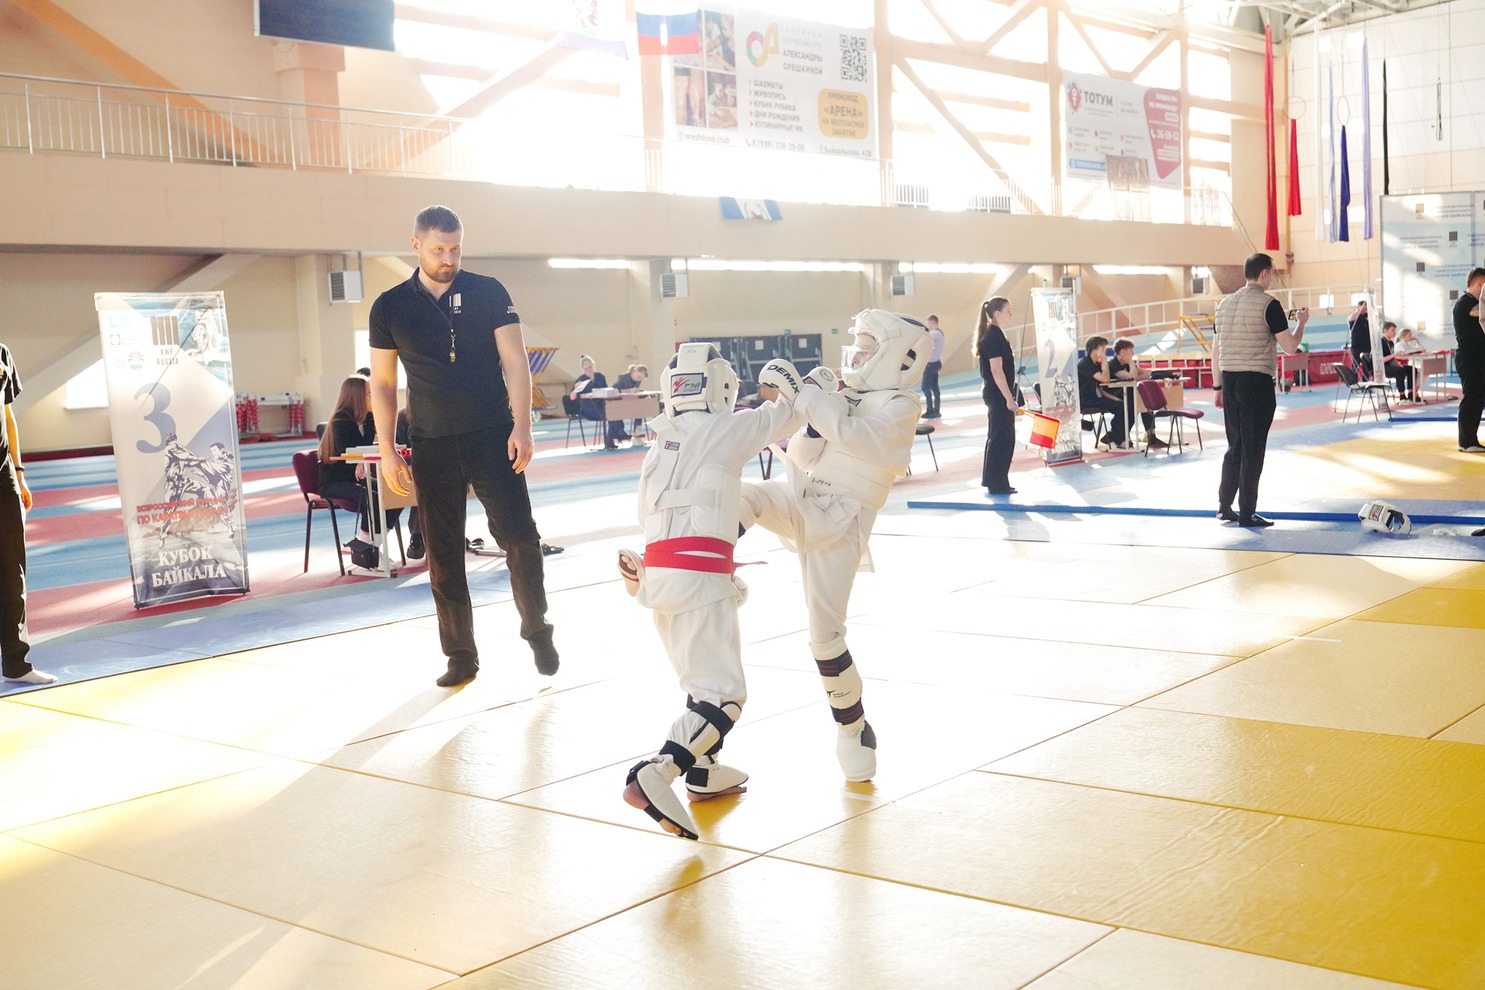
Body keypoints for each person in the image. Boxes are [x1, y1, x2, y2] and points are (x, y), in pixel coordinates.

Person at [618, 345, 805, 840]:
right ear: (721, 385)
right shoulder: (726, 427)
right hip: (697, 577)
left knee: (702, 683)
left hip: (659, 578)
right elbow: (790, 412)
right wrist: (808, 382)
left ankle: (704, 771)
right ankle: (657, 771)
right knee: (724, 698)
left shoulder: (660, 441)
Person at [368, 204, 559, 687]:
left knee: (520, 539)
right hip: (431, 442)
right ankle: (460, 656)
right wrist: (387, 449)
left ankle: (537, 629)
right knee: (444, 553)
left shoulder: (488, 291)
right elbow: (384, 384)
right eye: (438, 249)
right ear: (416, 245)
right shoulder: (390, 306)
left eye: (455, 249)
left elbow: (515, 361)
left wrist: (523, 426)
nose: (448, 258)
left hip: (493, 435)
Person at [739, 310, 932, 785]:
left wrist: (810, 398)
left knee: (825, 635)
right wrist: (810, 423)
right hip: (804, 498)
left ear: (898, 356)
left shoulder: (902, 405)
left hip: (842, 521)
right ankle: (703, 566)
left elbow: (859, 439)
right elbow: (803, 457)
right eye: (857, 348)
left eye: (867, 350)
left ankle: (853, 728)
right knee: (745, 496)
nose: (857, 358)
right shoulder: (847, 398)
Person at [1213, 252, 1307, 527]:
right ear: (1264, 273)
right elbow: (1290, 347)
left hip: (1229, 380)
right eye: (1272, 273)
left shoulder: (1223, 305)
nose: (1273, 278)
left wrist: (1217, 386)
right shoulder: (1269, 304)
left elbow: (1215, 351)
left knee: (1234, 446)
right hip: (1255, 382)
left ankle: (1224, 506)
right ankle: (1247, 512)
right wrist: (1301, 323)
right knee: (1253, 449)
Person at [1, 343, 56, 686]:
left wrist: (19, 474)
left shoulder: (2, 353)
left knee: (12, 570)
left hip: (3, 474)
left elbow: (7, 414)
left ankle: (16, 665)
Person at [318, 374, 401, 570]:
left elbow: (365, 448)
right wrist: (359, 460)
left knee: (396, 493)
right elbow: (348, 451)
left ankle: (369, 547)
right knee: (372, 498)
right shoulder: (341, 420)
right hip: (335, 481)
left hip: (356, 477)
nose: (374, 397)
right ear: (357, 397)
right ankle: (367, 550)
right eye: (370, 393)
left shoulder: (367, 418)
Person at [975, 298, 1018, 494]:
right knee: (1002, 438)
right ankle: (997, 482)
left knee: (1000, 436)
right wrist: (1009, 398)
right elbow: (996, 370)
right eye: (1008, 310)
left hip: (997, 392)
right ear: (997, 313)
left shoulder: (995, 334)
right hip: (998, 394)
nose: (1011, 315)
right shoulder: (994, 336)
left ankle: (996, 480)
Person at [1108, 338, 1167, 449]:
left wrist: (1134, 372)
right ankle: (1116, 435)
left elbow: (1146, 374)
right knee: (1138, 400)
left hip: (1129, 394)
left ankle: (1151, 435)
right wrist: (1131, 363)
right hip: (1116, 395)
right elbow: (1132, 378)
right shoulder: (1112, 365)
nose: (1133, 353)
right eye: (1131, 351)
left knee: (1145, 399)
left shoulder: (1127, 364)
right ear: (1123, 351)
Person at [1454, 267, 1485, 452]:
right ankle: (1466, 441)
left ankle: (1471, 439)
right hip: (1469, 359)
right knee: (1472, 397)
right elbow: (1477, 312)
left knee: (1479, 398)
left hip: (1479, 359)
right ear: (1480, 284)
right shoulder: (1464, 302)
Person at [1077, 335, 1127, 447]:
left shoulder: (1095, 364)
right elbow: (1105, 379)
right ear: (1096, 348)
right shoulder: (1085, 364)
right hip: (1086, 401)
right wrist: (1104, 360)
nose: (1105, 350)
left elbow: (1101, 386)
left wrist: (1113, 398)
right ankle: (1112, 437)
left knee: (1122, 405)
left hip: (1095, 398)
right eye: (1103, 347)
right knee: (1121, 408)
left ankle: (1116, 438)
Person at [395, 397, 423, 560]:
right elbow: (400, 448)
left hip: (436, 466)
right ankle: (417, 536)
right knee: (421, 487)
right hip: (410, 468)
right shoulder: (401, 418)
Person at [607, 363, 649, 446]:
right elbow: (615, 390)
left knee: (640, 408)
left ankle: (637, 428)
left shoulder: (638, 381)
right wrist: (629, 391)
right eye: (639, 377)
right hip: (617, 403)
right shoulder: (623, 377)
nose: (639, 380)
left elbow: (635, 391)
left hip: (630, 402)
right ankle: (633, 429)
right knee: (637, 409)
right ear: (635, 371)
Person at [1377, 322, 1413, 399]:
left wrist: (1398, 364)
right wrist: (1394, 355)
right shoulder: (1380, 343)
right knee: (1400, 371)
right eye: (1392, 330)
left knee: (1411, 369)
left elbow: (1392, 358)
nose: (1394, 332)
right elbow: (1380, 360)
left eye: (1395, 330)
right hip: (1383, 367)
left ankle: (1411, 392)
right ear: (1385, 330)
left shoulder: (1390, 343)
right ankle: (1402, 395)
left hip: (1391, 365)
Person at [921, 314, 945, 418]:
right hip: (937, 362)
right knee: (935, 387)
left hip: (930, 364)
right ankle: (936, 409)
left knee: (925, 387)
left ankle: (930, 409)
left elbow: (925, 344)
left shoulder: (934, 334)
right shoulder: (940, 333)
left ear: (932, 322)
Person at [1392, 327, 1425, 401]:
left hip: (1405, 364)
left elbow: (1420, 349)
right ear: (1403, 336)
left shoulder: (1408, 344)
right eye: (1409, 335)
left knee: (1414, 370)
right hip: (1399, 364)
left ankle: (1411, 392)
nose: (1411, 337)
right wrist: (1414, 352)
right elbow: (1404, 352)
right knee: (1405, 371)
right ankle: (1402, 394)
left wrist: (1417, 341)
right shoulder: (1399, 344)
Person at [1347, 299, 1372, 378]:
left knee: (1366, 365)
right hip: (1357, 345)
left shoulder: (1368, 316)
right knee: (1356, 364)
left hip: (1367, 344)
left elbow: (1379, 316)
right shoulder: (1354, 315)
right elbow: (1351, 318)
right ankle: (1353, 381)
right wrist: (1359, 310)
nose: (1365, 310)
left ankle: (1366, 380)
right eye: (1364, 308)